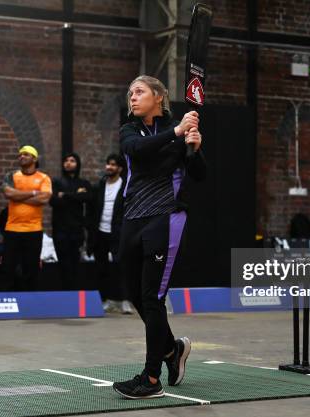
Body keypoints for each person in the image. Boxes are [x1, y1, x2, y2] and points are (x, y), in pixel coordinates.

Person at [112, 75, 206, 399]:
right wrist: (178, 133)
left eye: (139, 91)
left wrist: (194, 146)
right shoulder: (130, 130)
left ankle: (151, 379)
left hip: (165, 219)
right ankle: (171, 350)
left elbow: (199, 173)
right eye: (130, 93)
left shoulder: (179, 132)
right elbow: (137, 151)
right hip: (132, 219)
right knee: (134, 293)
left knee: (152, 297)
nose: (133, 97)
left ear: (159, 96)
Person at [2, 146, 52, 291]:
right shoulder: (11, 175)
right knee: (8, 268)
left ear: (35, 158)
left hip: (33, 230)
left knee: (31, 269)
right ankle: (7, 302)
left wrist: (18, 196)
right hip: (12, 229)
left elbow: (44, 199)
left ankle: (30, 303)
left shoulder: (43, 178)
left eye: (26, 154)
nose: (21, 157)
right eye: (20, 155)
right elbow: (8, 194)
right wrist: (33, 192)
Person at [88, 153, 132, 314]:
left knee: (121, 268)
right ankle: (105, 300)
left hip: (118, 234)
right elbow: (93, 210)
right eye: (108, 164)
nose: (109, 167)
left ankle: (125, 300)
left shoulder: (125, 186)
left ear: (119, 168)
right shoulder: (100, 185)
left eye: (113, 165)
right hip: (101, 233)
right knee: (102, 269)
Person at [49, 153, 92, 290]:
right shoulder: (56, 182)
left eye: (72, 160)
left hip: (77, 229)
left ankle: (74, 294)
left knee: (75, 262)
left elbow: (87, 197)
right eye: (66, 160)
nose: (68, 163)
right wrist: (76, 195)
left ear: (77, 164)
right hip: (60, 229)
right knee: (63, 263)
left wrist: (65, 195)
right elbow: (54, 201)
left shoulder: (83, 183)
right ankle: (65, 294)